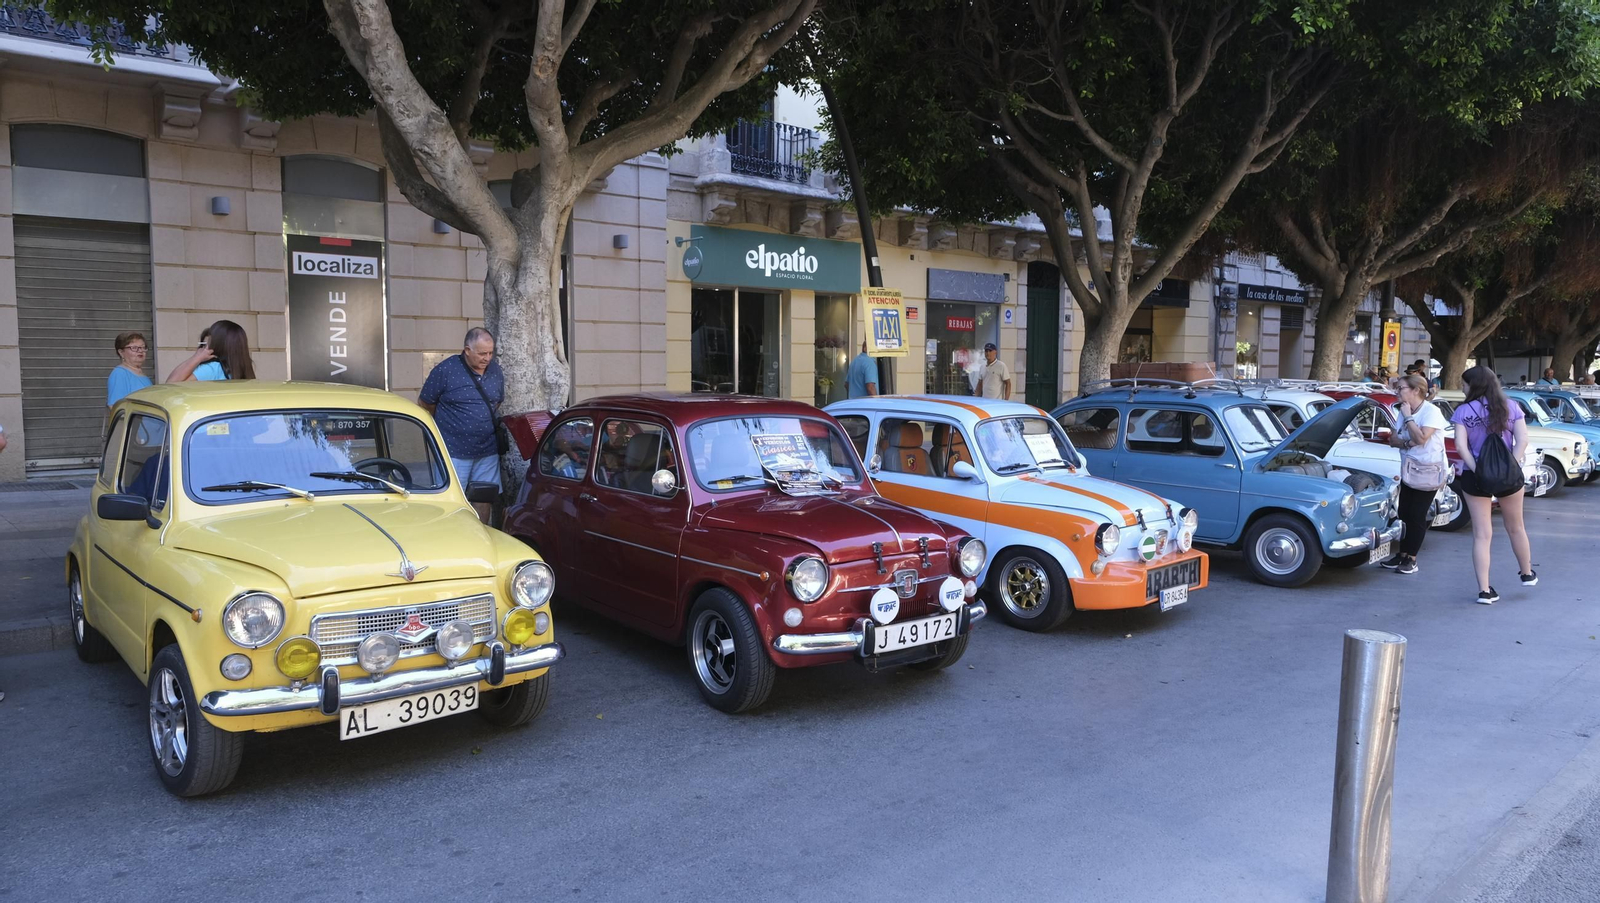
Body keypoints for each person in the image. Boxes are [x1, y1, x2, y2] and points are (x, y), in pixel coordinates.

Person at [1451, 365, 1536, 604]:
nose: (1462, 387)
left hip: (1474, 477)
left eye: (1464, 383)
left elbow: (1460, 447)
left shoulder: (1463, 411)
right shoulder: (1511, 407)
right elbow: (1523, 440)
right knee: (1516, 527)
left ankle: (1485, 591)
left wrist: (1480, 470)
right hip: (1508, 476)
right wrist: (1511, 465)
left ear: (1473, 385)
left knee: (1482, 534)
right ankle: (1527, 573)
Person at [419, 327, 504, 521]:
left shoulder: (495, 370)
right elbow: (425, 403)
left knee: (484, 498)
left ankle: (482, 536)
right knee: (453, 501)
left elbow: (496, 401)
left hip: (487, 450)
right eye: (482, 353)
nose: (487, 358)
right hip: (454, 451)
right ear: (467, 350)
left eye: (490, 353)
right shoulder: (445, 370)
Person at [1382, 374, 1450, 575]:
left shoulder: (1431, 412)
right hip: (1409, 468)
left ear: (1415, 390)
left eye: (1401, 388)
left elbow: (1421, 438)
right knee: (1404, 512)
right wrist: (1407, 440)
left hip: (1429, 470)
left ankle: (1412, 558)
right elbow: (1394, 439)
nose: (1398, 391)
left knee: (1417, 515)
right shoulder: (1402, 411)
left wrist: (1410, 418)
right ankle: (1402, 554)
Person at [166, 320, 255, 382]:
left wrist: (197, 357)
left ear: (216, 343)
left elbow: (172, 384)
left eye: (207, 342)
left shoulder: (213, 369)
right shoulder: (243, 368)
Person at [107, 332, 152, 405]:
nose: (140, 351)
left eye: (143, 347)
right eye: (134, 348)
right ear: (121, 352)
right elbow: (116, 407)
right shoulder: (119, 374)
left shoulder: (142, 375)